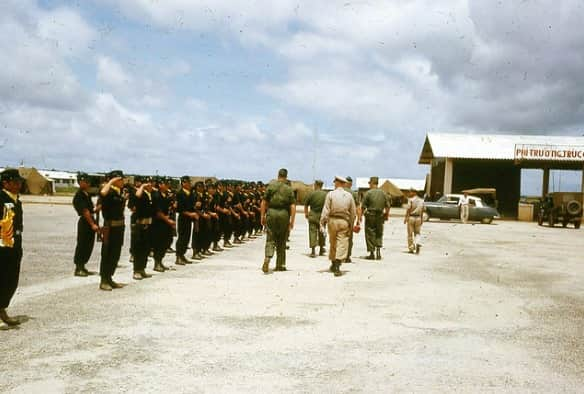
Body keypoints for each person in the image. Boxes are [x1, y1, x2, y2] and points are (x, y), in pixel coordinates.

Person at [0, 169, 24, 326]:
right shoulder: (1, 198)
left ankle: (2, 309)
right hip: (2, 243)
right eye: (15, 182)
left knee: (11, 279)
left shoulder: (16, 200)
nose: (18, 184)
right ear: (5, 183)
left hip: (15, 242)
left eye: (19, 182)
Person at [261, 168, 296, 273]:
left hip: (271, 213)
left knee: (270, 237)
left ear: (278, 175)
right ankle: (280, 265)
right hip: (283, 215)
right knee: (281, 239)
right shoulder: (289, 189)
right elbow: (293, 206)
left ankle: (268, 257)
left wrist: (262, 216)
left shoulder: (271, 186)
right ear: (286, 176)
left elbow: (263, 202)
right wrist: (292, 221)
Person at [320, 176, 356, 277]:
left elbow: (326, 210)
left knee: (333, 242)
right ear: (344, 184)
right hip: (344, 221)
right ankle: (337, 265)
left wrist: (322, 222)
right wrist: (351, 224)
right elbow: (353, 212)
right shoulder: (349, 195)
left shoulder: (330, 194)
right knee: (342, 243)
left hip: (332, 221)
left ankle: (333, 262)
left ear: (336, 183)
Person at [98, 170, 127, 291]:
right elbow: (102, 193)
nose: (123, 182)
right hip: (110, 227)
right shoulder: (108, 191)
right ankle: (103, 280)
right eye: (120, 179)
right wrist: (111, 181)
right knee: (107, 254)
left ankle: (109, 277)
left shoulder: (118, 192)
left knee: (115, 254)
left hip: (119, 227)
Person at [72, 172, 100, 277]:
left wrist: (96, 209)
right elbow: (85, 211)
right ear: (80, 182)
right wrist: (92, 224)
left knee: (89, 245)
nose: (88, 183)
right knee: (82, 245)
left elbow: (90, 210)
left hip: (89, 221)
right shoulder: (79, 195)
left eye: (88, 182)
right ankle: (78, 267)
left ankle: (83, 266)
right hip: (85, 222)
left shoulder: (86, 194)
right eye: (85, 181)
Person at [359, 176, 391, 260]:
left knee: (370, 233)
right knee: (379, 232)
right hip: (380, 215)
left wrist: (360, 216)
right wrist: (386, 214)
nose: (369, 185)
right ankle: (378, 251)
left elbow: (363, 207)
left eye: (370, 183)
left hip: (370, 215)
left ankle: (372, 253)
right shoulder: (383, 193)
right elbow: (388, 206)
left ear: (372, 183)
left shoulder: (368, 193)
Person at [132, 177, 155, 280]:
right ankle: (136, 270)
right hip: (140, 224)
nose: (149, 184)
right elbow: (137, 196)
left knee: (146, 248)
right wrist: (142, 186)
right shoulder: (139, 192)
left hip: (149, 224)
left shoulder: (150, 194)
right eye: (147, 183)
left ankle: (142, 269)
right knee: (139, 248)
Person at [151, 177, 175, 272]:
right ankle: (157, 263)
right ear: (160, 185)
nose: (167, 185)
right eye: (165, 183)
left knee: (167, 242)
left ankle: (160, 261)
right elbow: (158, 212)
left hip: (166, 222)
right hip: (159, 223)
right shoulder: (156, 195)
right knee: (159, 243)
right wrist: (168, 220)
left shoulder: (166, 195)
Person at [175, 176, 197, 265]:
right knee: (182, 237)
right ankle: (178, 256)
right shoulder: (180, 194)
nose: (189, 184)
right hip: (183, 218)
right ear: (183, 183)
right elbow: (180, 209)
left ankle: (182, 255)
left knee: (187, 237)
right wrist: (190, 214)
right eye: (187, 182)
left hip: (189, 218)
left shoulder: (191, 193)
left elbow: (192, 205)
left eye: (189, 182)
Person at [303, 180, 327, 258]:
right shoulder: (325, 194)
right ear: (322, 185)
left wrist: (306, 214)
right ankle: (321, 249)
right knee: (321, 232)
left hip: (313, 215)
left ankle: (313, 251)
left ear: (316, 185)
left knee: (312, 232)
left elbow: (306, 204)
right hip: (322, 216)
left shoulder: (311, 194)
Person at [344, 176, 360, 263]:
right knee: (349, 237)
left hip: (339, 217)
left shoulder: (338, 192)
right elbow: (358, 207)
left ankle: (339, 256)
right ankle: (347, 256)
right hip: (350, 219)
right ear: (351, 184)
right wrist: (359, 219)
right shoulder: (354, 194)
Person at [404, 187, 424, 254]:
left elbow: (408, 209)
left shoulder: (410, 200)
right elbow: (422, 210)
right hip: (418, 218)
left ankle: (411, 248)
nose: (409, 193)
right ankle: (418, 243)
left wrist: (406, 218)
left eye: (410, 191)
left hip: (411, 218)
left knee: (410, 234)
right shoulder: (421, 200)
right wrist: (421, 219)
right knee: (417, 233)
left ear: (414, 192)